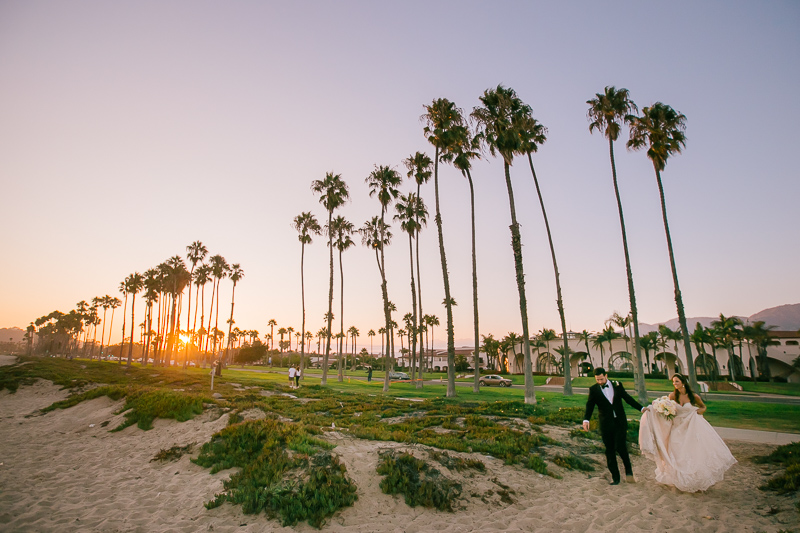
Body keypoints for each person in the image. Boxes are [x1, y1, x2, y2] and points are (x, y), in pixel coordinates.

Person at [639, 373, 737, 492]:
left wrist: (697, 412)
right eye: (673, 382)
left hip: (690, 427)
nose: (675, 384)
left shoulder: (693, 397)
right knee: (676, 451)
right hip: (676, 428)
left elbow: (703, 407)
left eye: (677, 382)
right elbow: (667, 411)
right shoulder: (672, 396)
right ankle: (677, 478)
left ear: (683, 382)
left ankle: (693, 478)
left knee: (690, 452)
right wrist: (656, 410)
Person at [583, 367, 645, 485]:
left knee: (621, 447)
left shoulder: (617, 385)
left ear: (606, 376)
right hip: (605, 424)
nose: (600, 382)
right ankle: (615, 478)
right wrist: (586, 420)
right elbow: (590, 406)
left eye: (601, 379)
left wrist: (641, 408)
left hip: (620, 422)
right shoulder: (594, 390)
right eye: (597, 380)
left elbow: (627, 398)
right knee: (609, 450)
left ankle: (629, 473)